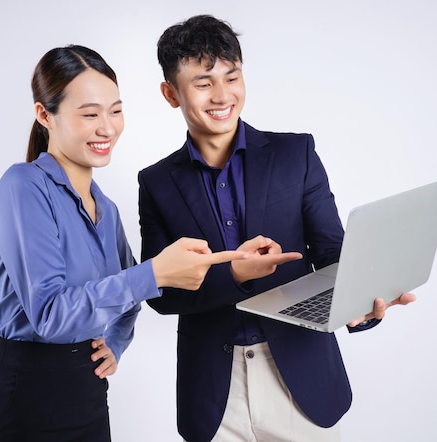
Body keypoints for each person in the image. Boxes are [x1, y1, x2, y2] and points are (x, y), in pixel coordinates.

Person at [138, 15, 416, 442]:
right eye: (203, 82)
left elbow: (331, 252)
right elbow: (160, 293)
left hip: (301, 379)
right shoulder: (156, 183)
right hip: (212, 392)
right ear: (170, 94)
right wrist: (233, 277)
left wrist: (359, 300)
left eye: (232, 77)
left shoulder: (295, 153)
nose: (222, 95)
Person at [0, 44, 248, 442]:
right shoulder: (24, 186)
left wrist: (116, 341)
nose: (107, 127)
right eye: (89, 114)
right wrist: (153, 273)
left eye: (115, 111)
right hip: (28, 395)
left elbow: (128, 294)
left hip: (87, 390)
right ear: (43, 115)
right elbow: (50, 314)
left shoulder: (106, 207)